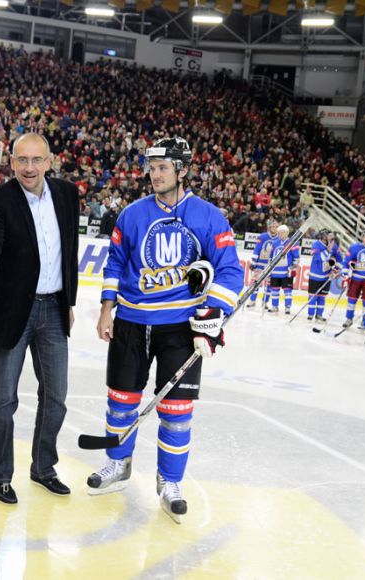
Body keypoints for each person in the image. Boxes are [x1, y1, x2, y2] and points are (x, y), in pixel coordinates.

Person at [88, 137, 244, 524]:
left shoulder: (209, 217)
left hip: (181, 327)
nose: (154, 174)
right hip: (131, 321)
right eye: (151, 168)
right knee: (121, 401)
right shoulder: (132, 214)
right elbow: (115, 262)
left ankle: (170, 481)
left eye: (162, 168)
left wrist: (214, 314)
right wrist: (107, 309)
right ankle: (117, 463)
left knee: (176, 411)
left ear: (182, 170)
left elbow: (228, 269)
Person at [0, 133, 79, 505]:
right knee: (4, 399)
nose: (29, 168)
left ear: (49, 161)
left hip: (54, 308)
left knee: (57, 398)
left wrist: (70, 302)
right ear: (11, 162)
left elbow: (69, 252)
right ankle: (1, 475)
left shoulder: (67, 194)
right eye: (21, 160)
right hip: (15, 310)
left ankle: (43, 468)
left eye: (36, 160)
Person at [305, 229, 341, 321]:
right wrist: (328, 250)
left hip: (326, 277)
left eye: (331, 235)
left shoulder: (335, 246)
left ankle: (319, 315)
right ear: (323, 236)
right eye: (329, 235)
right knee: (313, 296)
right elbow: (320, 258)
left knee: (322, 297)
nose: (331, 237)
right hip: (315, 276)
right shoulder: (316, 245)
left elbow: (340, 259)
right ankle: (310, 314)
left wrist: (335, 270)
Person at [267, 224, 300, 315]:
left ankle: (287, 308)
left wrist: (292, 268)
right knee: (274, 290)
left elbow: (296, 258)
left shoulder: (292, 243)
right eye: (279, 232)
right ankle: (274, 306)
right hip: (275, 272)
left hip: (286, 272)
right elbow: (271, 257)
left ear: (287, 233)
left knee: (287, 291)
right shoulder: (275, 243)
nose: (281, 234)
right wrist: (269, 269)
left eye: (283, 232)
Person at [245, 219, 277, 309]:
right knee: (255, 283)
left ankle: (265, 302)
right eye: (273, 226)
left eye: (276, 227)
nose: (274, 228)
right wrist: (253, 262)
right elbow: (257, 249)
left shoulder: (278, 239)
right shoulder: (262, 236)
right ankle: (252, 300)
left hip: (270, 265)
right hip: (260, 264)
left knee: (269, 285)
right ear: (269, 227)